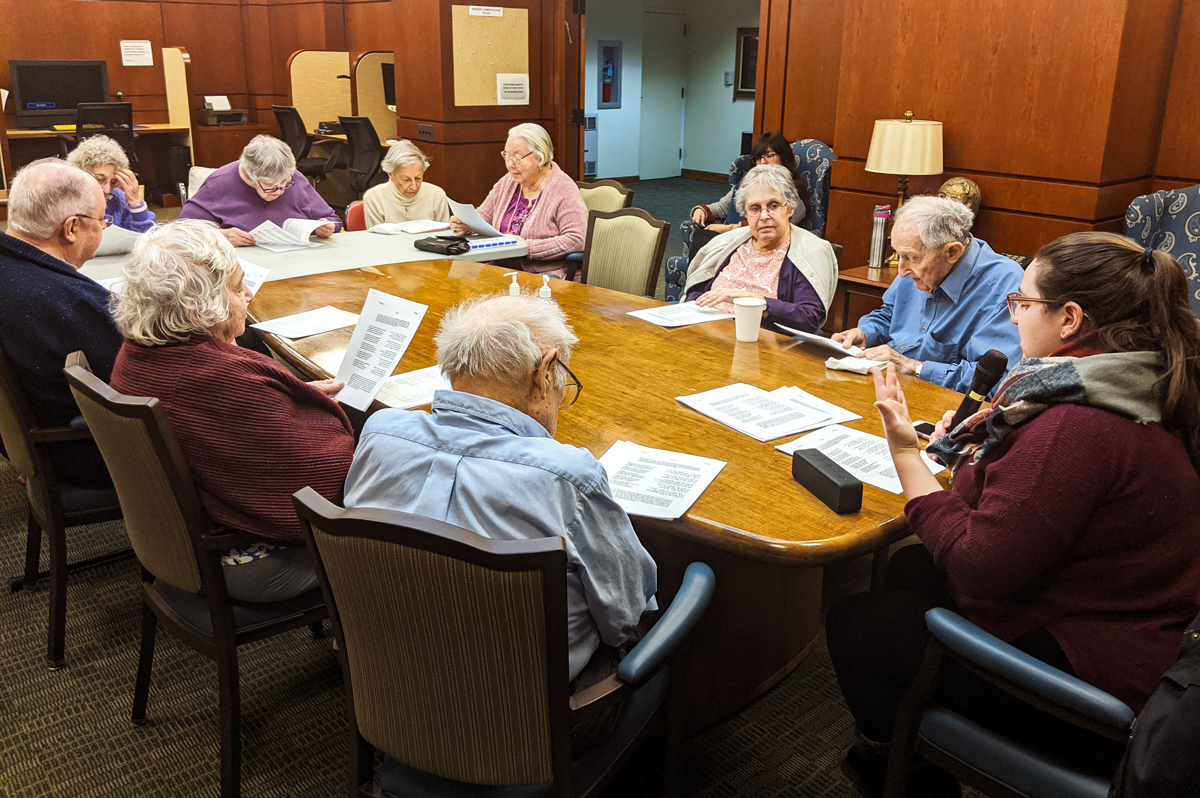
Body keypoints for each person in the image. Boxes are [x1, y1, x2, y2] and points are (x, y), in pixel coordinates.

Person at [826, 232, 1200, 796]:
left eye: (1021, 303)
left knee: (856, 624)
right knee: (910, 569)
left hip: (1102, 692)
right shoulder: (1139, 383)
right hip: (1133, 617)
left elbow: (981, 563)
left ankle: (903, 771)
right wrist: (980, 454)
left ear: (1069, 318)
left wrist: (906, 454)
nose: (1014, 313)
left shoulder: (1075, 427)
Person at [342, 294, 657, 715]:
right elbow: (625, 616)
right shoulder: (568, 476)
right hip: (527, 725)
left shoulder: (380, 433)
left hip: (388, 693)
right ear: (544, 373)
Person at [108, 220, 356, 602]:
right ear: (196, 308)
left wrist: (286, 398)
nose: (249, 294)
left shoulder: (139, 352)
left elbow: (228, 424)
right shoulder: (220, 380)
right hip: (253, 562)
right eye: (238, 286)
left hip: (183, 540)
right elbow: (328, 483)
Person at [0, 158, 121, 487]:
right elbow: (141, 384)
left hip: (26, 441)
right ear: (71, 228)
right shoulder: (76, 305)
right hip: (78, 453)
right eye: (102, 220)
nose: (103, 227)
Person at [832, 195, 1023, 393]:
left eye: (912, 258)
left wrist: (913, 366)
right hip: (887, 384)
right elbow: (889, 315)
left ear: (952, 253)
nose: (901, 271)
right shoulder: (917, 266)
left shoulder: (1003, 286)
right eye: (899, 255)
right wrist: (865, 333)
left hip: (942, 405)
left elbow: (996, 382)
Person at [683, 164, 837, 334]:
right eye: (755, 208)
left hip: (762, 343)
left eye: (774, 206)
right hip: (706, 332)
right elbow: (694, 293)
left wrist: (753, 300)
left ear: (791, 208)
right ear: (745, 213)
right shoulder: (725, 243)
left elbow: (809, 317)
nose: (764, 216)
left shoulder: (811, 251)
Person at [448, 123, 587, 277]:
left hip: (545, 276)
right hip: (499, 270)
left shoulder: (563, 188)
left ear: (540, 156)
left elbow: (577, 240)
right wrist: (466, 224)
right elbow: (483, 217)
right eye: (506, 155)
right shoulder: (508, 182)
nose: (510, 164)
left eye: (517, 157)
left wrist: (527, 247)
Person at [178, 135, 341, 248]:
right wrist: (221, 236)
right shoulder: (219, 184)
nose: (279, 191)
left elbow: (333, 219)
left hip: (299, 262)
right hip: (244, 266)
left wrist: (326, 227)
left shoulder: (295, 178)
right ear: (251, 177)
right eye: (270, 186)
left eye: (285, 183)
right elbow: (182, 232)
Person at [689, 131, 806, 233]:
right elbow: (722, 208)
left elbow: (780, 224)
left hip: (757, 242)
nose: (763, 162)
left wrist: (730, 229)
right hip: (728, 236)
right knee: (702, 236)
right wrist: (702, 210)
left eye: (769, 156)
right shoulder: (746, 182)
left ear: (783, 156)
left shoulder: (794, 187)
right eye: (758, 158)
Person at [66, 135, 156, 233]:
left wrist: (135, 203)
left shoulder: (117, 198)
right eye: (100, 179)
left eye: (114, 182)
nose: (108, 189)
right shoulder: (63, 200)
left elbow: (149, 237)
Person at [362, 139, 450, 227]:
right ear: (390, 175)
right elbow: (376, 239)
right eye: (406, 180)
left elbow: (444, 237)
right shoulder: (374, 198)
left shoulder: (437, 195)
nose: (414, 186)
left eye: (418, 178)